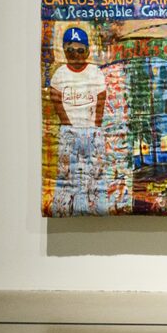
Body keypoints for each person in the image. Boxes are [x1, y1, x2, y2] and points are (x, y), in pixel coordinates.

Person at [48, 26, 108, 213]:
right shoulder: (60, 74)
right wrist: (67, 124)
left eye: (80, 50)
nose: (75, 54)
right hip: (69, 131)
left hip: (92, 131)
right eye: (70, 50)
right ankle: (65, 209)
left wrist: (96, 126)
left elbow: (101, 99)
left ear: (87, 51)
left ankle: (96, 209)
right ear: (64, 51)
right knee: (67, 175)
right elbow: (56, 99)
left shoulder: (95, 72)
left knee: (95, 173)